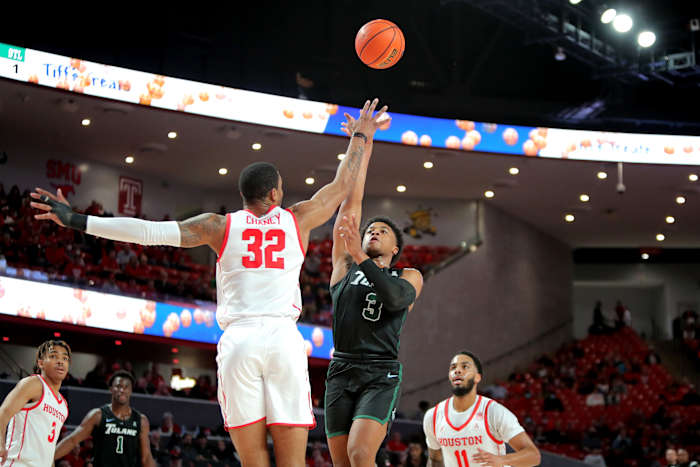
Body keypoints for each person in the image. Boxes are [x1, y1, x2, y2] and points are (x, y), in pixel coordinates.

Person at [31, 97, 388, 467]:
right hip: (283, 339)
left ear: (244, 196)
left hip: (239, 343)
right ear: (276, 194)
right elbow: (344, 184)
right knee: (293, 461)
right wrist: (362, 134)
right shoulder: (297, 218)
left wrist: (76, 220)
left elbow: (148, 232)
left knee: (253, 460)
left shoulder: (219, 226)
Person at [324, 110, 423, 467]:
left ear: (396, 248)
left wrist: (360, 256)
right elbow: (352, 200)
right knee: (343, 463)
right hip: (341, 368)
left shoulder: (408, 275)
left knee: (359, 452)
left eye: (383, 230)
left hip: (381, 372)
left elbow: (395, 300)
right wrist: (362, 142)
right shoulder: (345, 265)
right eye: (370, 229)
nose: (374, 231)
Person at [422, 351, 541, 467]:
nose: (457, 371)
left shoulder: (493, 411)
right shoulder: (433, 416)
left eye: (465, 367)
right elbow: (434, 459)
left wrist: (502, 460)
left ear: (477, 377)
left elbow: (533, 456)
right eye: (453, 368)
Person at [54, 370, 154, 466]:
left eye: (126, 387)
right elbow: (72, 440)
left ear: (131, 390)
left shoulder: (141, 420)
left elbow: (146, 457)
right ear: (111, 389)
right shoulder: (98, 415)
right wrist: (48, 457)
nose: (122, 390)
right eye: (118, 386)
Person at [0, 339, 71, 466]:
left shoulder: (63, 405)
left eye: (65, 358)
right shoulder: (34, 384)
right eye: (53, 356)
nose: (61, 361)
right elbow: (3, 413)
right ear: (41, 363)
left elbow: (48, 447)